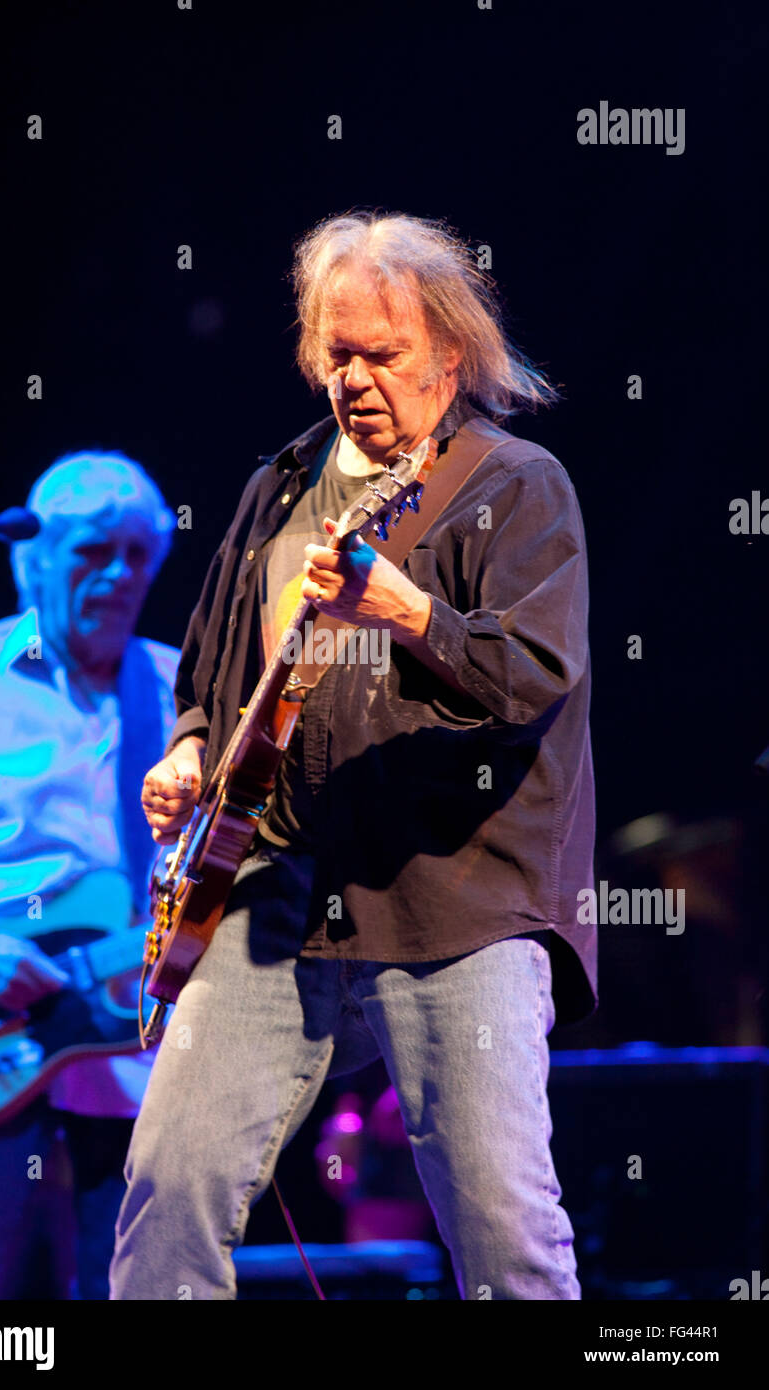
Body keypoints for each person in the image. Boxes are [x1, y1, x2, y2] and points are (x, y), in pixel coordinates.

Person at [110, 212, 597, 1301]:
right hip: (273, 889)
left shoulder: (513, 486)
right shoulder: (276, 487)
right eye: (337, 353)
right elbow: (208, 677)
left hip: (454, 901)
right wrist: (189, 754)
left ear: (450, 356)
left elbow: (535, 678)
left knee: (501, 1230)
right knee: (168, 1183)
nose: (354, 378)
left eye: (384, 354)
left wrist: (410, 610)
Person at [0, 451, 180, 1299]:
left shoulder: (178, 692)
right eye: (95, 551)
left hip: (142, 1078)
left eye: (140, 555)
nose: (122, 574)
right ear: (32, 559)